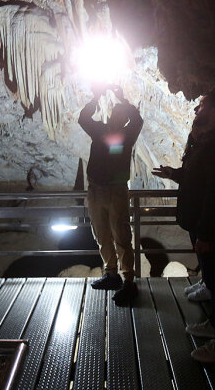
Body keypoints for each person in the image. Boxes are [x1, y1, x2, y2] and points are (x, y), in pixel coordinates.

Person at [152, 92, 215, 362]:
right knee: (212, 278)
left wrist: (205, 234)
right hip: (200, 223)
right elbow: (195, 178)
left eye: (200, 107)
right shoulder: (206, 142)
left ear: (213, 111)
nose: (194, 111)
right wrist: (173, 173)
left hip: (209, 227)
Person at [79, 84, 144, 304]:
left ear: (124, 119)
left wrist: (123, 99)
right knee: (101, 233)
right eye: (115, 113)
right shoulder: (99, 131)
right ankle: (111, 273)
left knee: (122, 235)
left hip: (116, 191)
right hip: (96, 189)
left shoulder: (127, 135)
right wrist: (95, 96)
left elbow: (139, 121)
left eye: (121, 114)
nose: (118, 116)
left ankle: (128, 281)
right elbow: (83, 119)